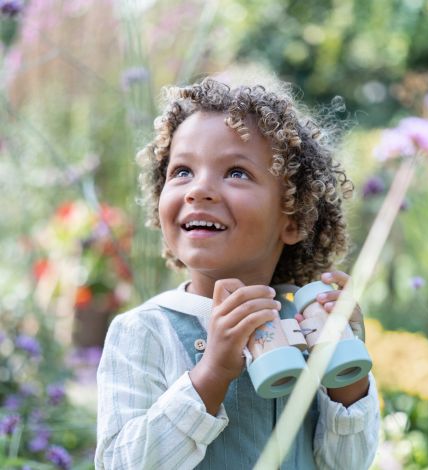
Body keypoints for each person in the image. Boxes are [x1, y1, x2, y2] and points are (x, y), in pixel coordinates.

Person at [95, 74, 380, 469]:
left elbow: (348, 464)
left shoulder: (306, 323)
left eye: (236, 173)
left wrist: (348, 378)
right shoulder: (144, 331)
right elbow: (121, 463)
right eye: (182, 171)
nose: (199, 190)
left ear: (294, 218)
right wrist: (211, 374)